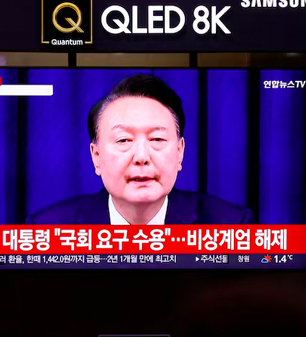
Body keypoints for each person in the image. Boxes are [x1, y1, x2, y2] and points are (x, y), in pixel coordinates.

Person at [27, 74, 255, 225]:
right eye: (123, 141)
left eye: (156, 138)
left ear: (180, 152)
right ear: (96, 157)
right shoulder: (48, 228)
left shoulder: (231, 225)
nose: (142, 157)